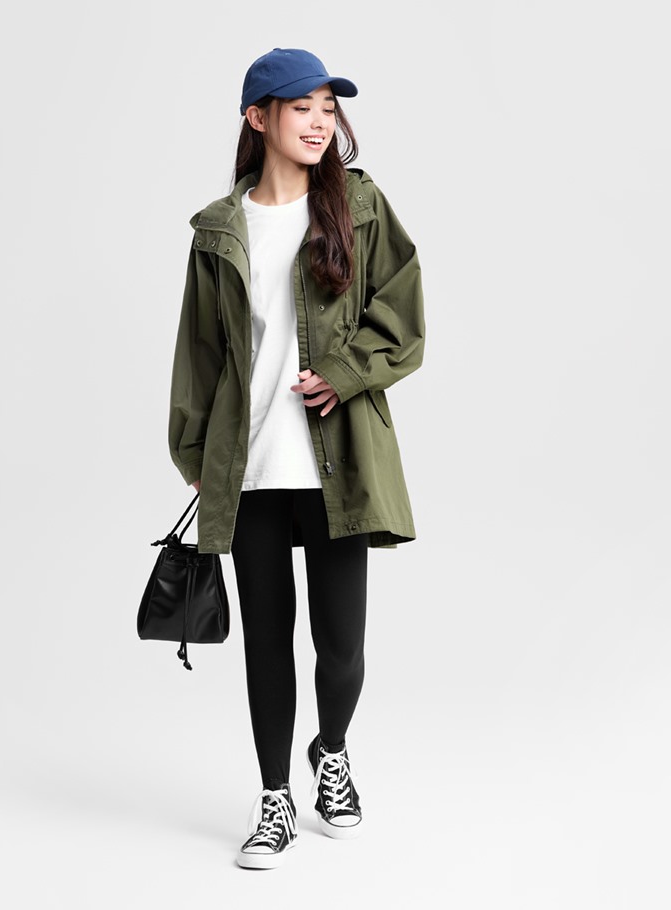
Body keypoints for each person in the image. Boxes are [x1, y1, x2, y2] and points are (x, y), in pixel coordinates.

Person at [168, 47, 426, 869]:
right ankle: (275, 797)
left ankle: (332, 752)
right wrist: (195, 455)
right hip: (249, 469)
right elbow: (199, 354)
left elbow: (403, 314)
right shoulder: (220, 230)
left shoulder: (359, 205)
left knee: (341, 646)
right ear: (258, 118)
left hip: (335, 463)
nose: (320, 123)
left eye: (328, 107)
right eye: (301, 107)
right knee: (266, 643)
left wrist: (344, 373)